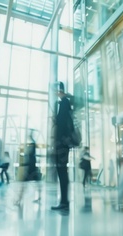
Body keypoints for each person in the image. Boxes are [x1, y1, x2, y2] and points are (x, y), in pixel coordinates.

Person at [51, 82, 74, 211]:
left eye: (55, 90)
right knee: (62, 171)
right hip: (63, 143)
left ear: (59, 90)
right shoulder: (65, 103)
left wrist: (56, 121)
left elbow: (62, 124)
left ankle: (64, 202)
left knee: (62, 171)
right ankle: (64, 201)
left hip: (62, 144)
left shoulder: (64, 103)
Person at [15, 130, 40, 205]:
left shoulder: (31, 152)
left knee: (24, 185)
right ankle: (39, 197)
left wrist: (31, 136)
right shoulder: (32, 154)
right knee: (37, 183)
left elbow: (33, 145)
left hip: (30, 169)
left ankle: (19, 200)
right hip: (32, 168)